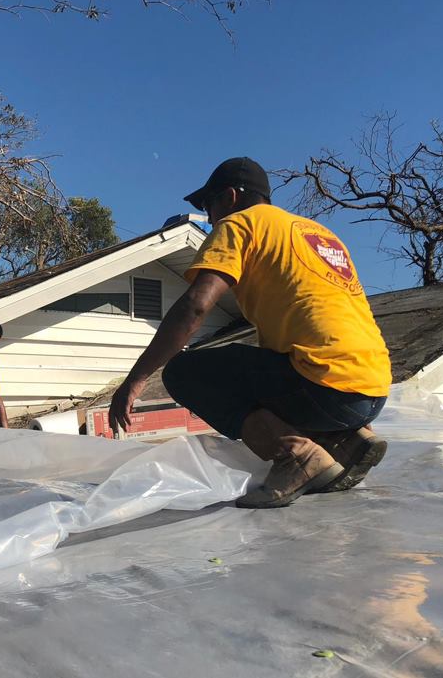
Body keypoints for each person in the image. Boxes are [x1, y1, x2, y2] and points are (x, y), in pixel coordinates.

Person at [109, 157, 391, 508]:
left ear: (228, 198)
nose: (210, 218)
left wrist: (134, 381)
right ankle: (348, 439)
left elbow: (196, 305)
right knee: (264, 367)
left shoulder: (239, 224)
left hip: (324, 389)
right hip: (373, 391)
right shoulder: (318, 234)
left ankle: (296, 456)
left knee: (185, 372)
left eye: (208, 206)